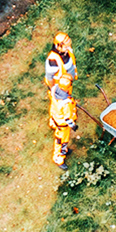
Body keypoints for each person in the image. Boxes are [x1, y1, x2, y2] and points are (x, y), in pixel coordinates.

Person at [46, 32, 77, 170]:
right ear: (58, 46)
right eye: (66, 45)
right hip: (63, 124)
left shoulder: (62, 99)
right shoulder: (53, 60)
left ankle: (53, 122)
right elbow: (50, 77)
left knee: (55, 108)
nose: (68, 47)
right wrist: (72, 124)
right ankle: (58, 158)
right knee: (62, 140)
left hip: (60, 95)